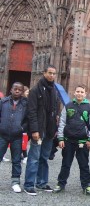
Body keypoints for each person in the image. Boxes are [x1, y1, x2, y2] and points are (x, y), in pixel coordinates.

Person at [53, 84, 90, 195]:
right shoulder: (68, 106)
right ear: (74, 92)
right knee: (66, 163)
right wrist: (60, 138)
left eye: (82, 92)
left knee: (84, 164)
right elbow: (62, 123)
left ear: (85, 94)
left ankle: (86, 185)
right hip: (68, 140)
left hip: (83, 141)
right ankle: (61, 183)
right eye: (78, 91)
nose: (79, 93)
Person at [24, 65, 59, 196]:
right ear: (44, 73)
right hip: (38, 130)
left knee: (44, 158)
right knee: (34, 158)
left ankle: (42, 182)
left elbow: (56, 110)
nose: (52, 75)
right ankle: (29, 184)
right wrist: (34, 130)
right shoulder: (35, 90)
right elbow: (31, 112)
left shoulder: (54, 90)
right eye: (49, 73)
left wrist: (55, 128)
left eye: (54, 73)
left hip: (49, 130)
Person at [0, 82, 28, 192]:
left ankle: (15, 181)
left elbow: (27, 119)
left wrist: (22, 128)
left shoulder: (25, 104)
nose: (17, 91)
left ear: (22, 91)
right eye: (15, 89)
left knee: (16, 160)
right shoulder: (3, 102)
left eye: (19, 89)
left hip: (17, 136)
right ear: (11, 89)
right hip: (2, 134)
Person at [21, 86, 29, 164]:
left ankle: (25, 156)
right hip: (21, 125)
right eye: (27, 92)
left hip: (24, 126)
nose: (28, 93)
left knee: (23, 142)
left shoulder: (27, 101)